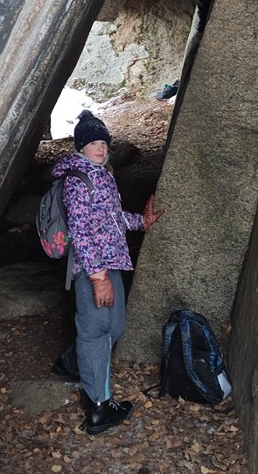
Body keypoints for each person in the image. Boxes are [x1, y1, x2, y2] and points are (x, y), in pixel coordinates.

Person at [51, 110, 164, 435]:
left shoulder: (100, 174)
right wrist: (98, 278)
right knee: (97, 332)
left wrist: (141, 222)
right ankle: (99, 408)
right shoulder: (78, 180)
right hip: (93, 268)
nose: (100, 148)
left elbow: (110, 218)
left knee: (115, 326)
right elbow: (81, 232)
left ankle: (73, 362)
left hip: (112, 261)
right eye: (93, 143)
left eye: (103, 142)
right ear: (81, 147)